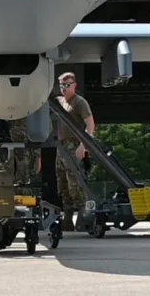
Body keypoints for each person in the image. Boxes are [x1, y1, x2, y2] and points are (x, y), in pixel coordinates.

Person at [54, 72, 95, 232]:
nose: (64, 88)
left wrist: (83, 145)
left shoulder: (79, 102)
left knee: (76, 184)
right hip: (62, 147)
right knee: (62, 184)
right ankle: (68, 219)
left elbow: (90, 125)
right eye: (62, 85)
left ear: (74, 85)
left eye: (67, 85)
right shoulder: (60, 102)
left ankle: (84, 219)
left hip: (74, 146)